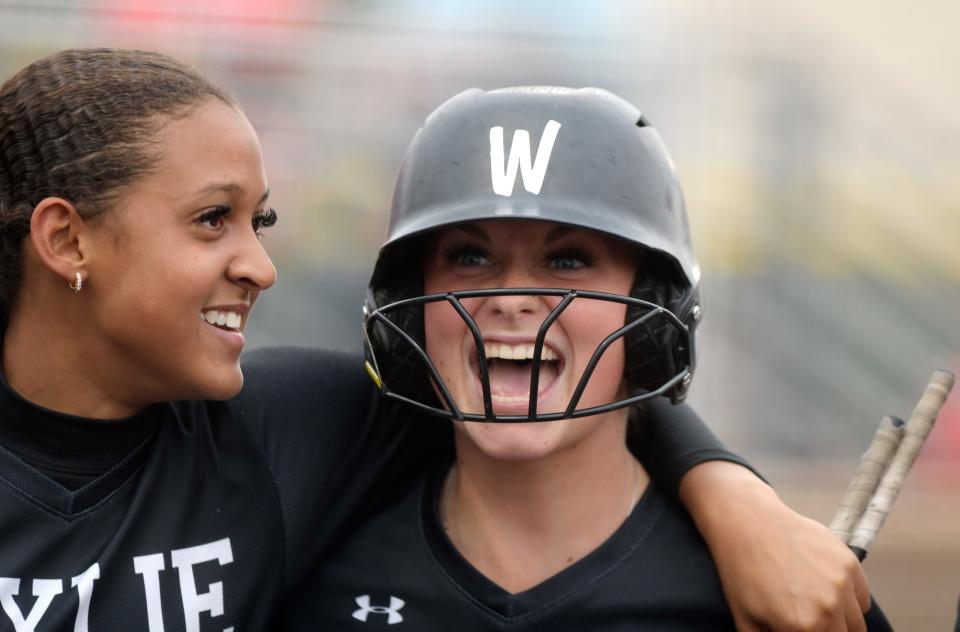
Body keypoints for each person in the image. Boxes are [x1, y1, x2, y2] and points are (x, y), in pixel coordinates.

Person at [0, 49, 868, 631]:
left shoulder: (291, 426)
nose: (261, 266)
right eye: (211, 220)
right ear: (66, 240)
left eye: (568, 259)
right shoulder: (314, 467)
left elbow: (559, 405)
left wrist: (745, 509)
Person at [280, 87, 890, 630]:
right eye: (470, 257)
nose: (513, 298)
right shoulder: (318, 559)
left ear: (649, 312)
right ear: (412, 308)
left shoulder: (769, 595)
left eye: (568, 259)